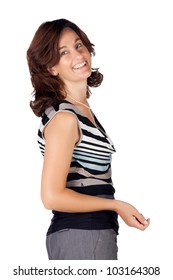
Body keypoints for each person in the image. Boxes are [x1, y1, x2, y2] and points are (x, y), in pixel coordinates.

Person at [27, 18, 150, 260]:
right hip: (82, 235)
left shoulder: (80, 110)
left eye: (78, 44)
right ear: (51, 67)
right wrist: (116, 205)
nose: (78, 54)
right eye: (63, 52)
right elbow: (51, 196)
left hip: (91, 234)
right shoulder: (65, 118)